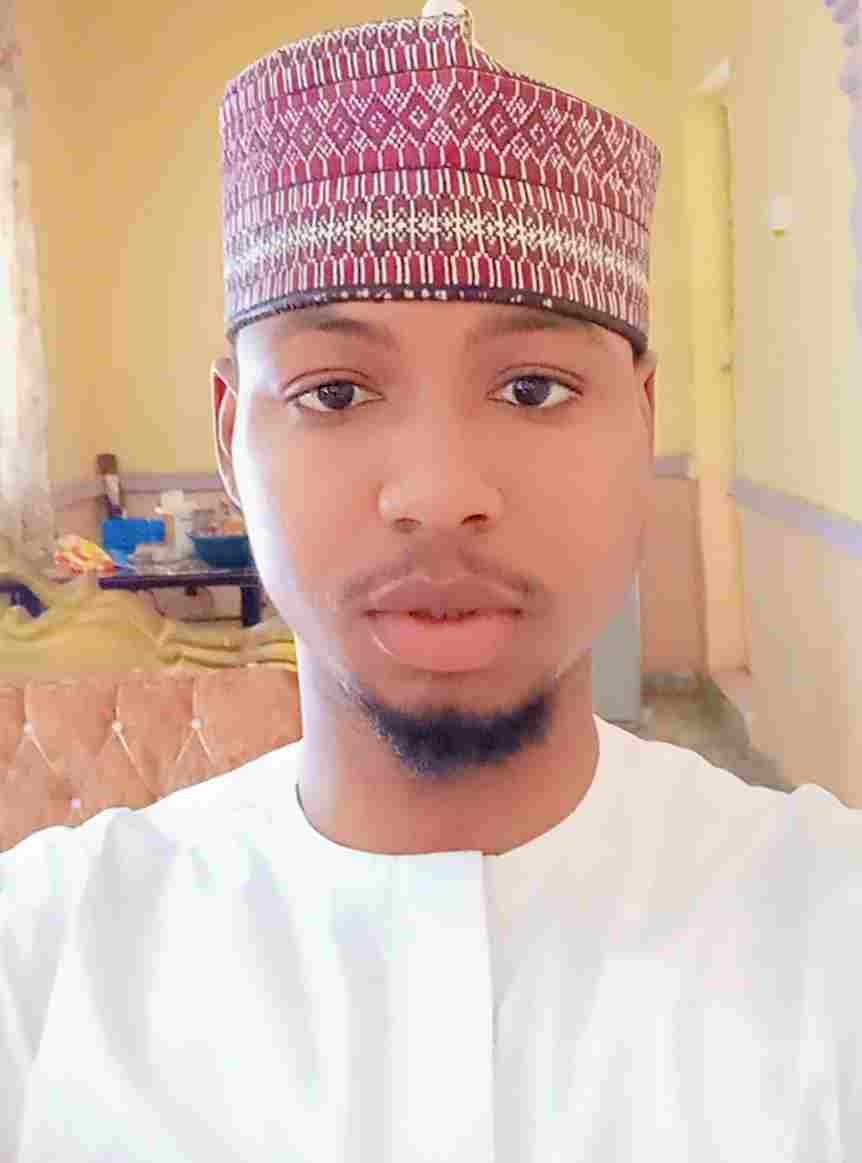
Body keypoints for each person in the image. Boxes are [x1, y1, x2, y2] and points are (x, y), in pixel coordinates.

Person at [2, 3, 860, 1159]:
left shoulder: (828, 934)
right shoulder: (47, 968)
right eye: (334, 392)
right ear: (229, 441)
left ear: (643, 419)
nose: (441, 491)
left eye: (533, 388)